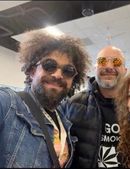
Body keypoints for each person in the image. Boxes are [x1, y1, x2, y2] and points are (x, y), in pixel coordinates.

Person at [0, 29, 90, 168]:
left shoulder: (64, 121)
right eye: (49, 65)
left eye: (68, 70)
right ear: (31, 71)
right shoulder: (8, 104)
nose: (58, 74)